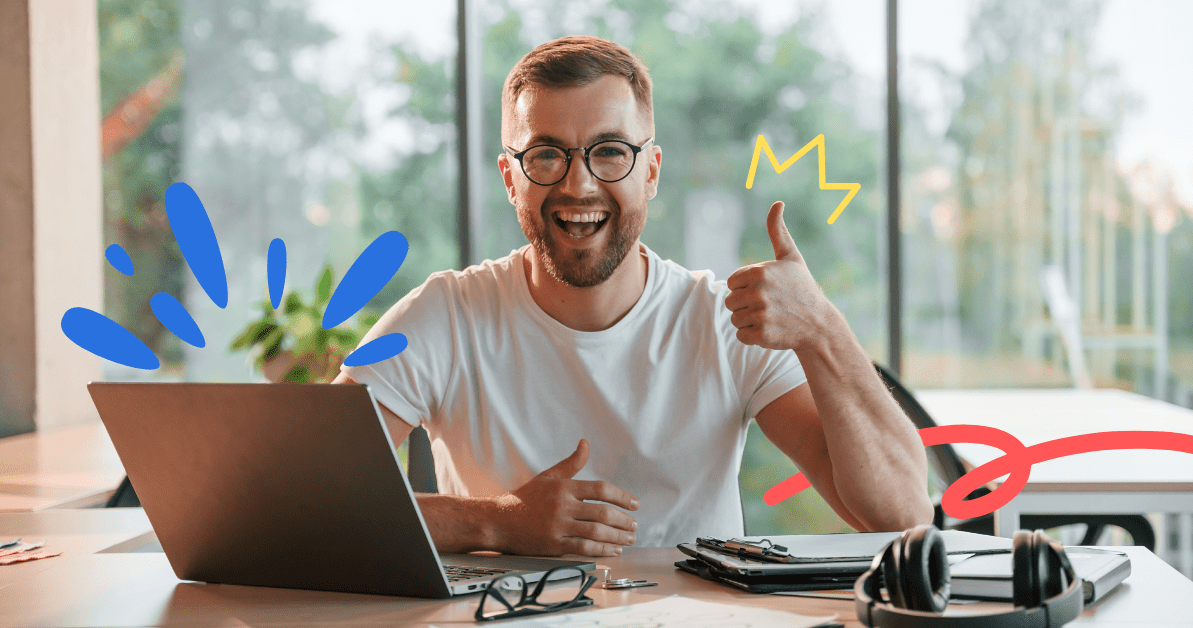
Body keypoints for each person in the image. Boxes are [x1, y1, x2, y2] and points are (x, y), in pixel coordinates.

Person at [334, 35, 933, 556]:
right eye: (545, 154)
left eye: (611, 152)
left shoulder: (724, 319)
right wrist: (498, 521)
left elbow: (902, 514)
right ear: (509, 176)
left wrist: (822, 328)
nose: (580, 183)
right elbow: (315, 501)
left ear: (650, 170)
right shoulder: (444, 316)